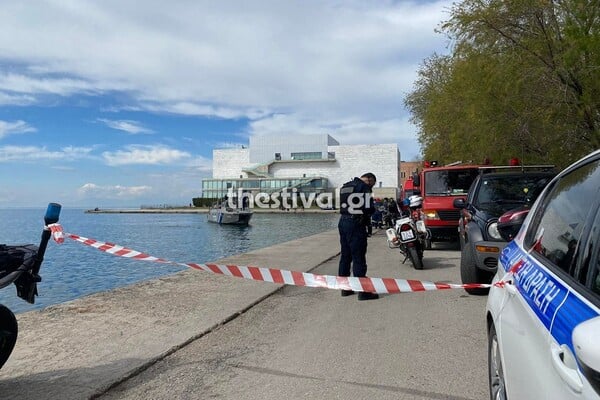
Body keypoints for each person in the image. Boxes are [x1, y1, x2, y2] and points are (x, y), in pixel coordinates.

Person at [338, 172, 379, 300]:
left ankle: (345, 289)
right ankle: (363, 292)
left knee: (345, 256)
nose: (371, 187)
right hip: (355, 223)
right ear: (370, 180)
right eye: (372, 184)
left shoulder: (345, 186)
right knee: (358, 256)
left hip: (343, 221)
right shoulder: (363, 187)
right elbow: (369, 208)